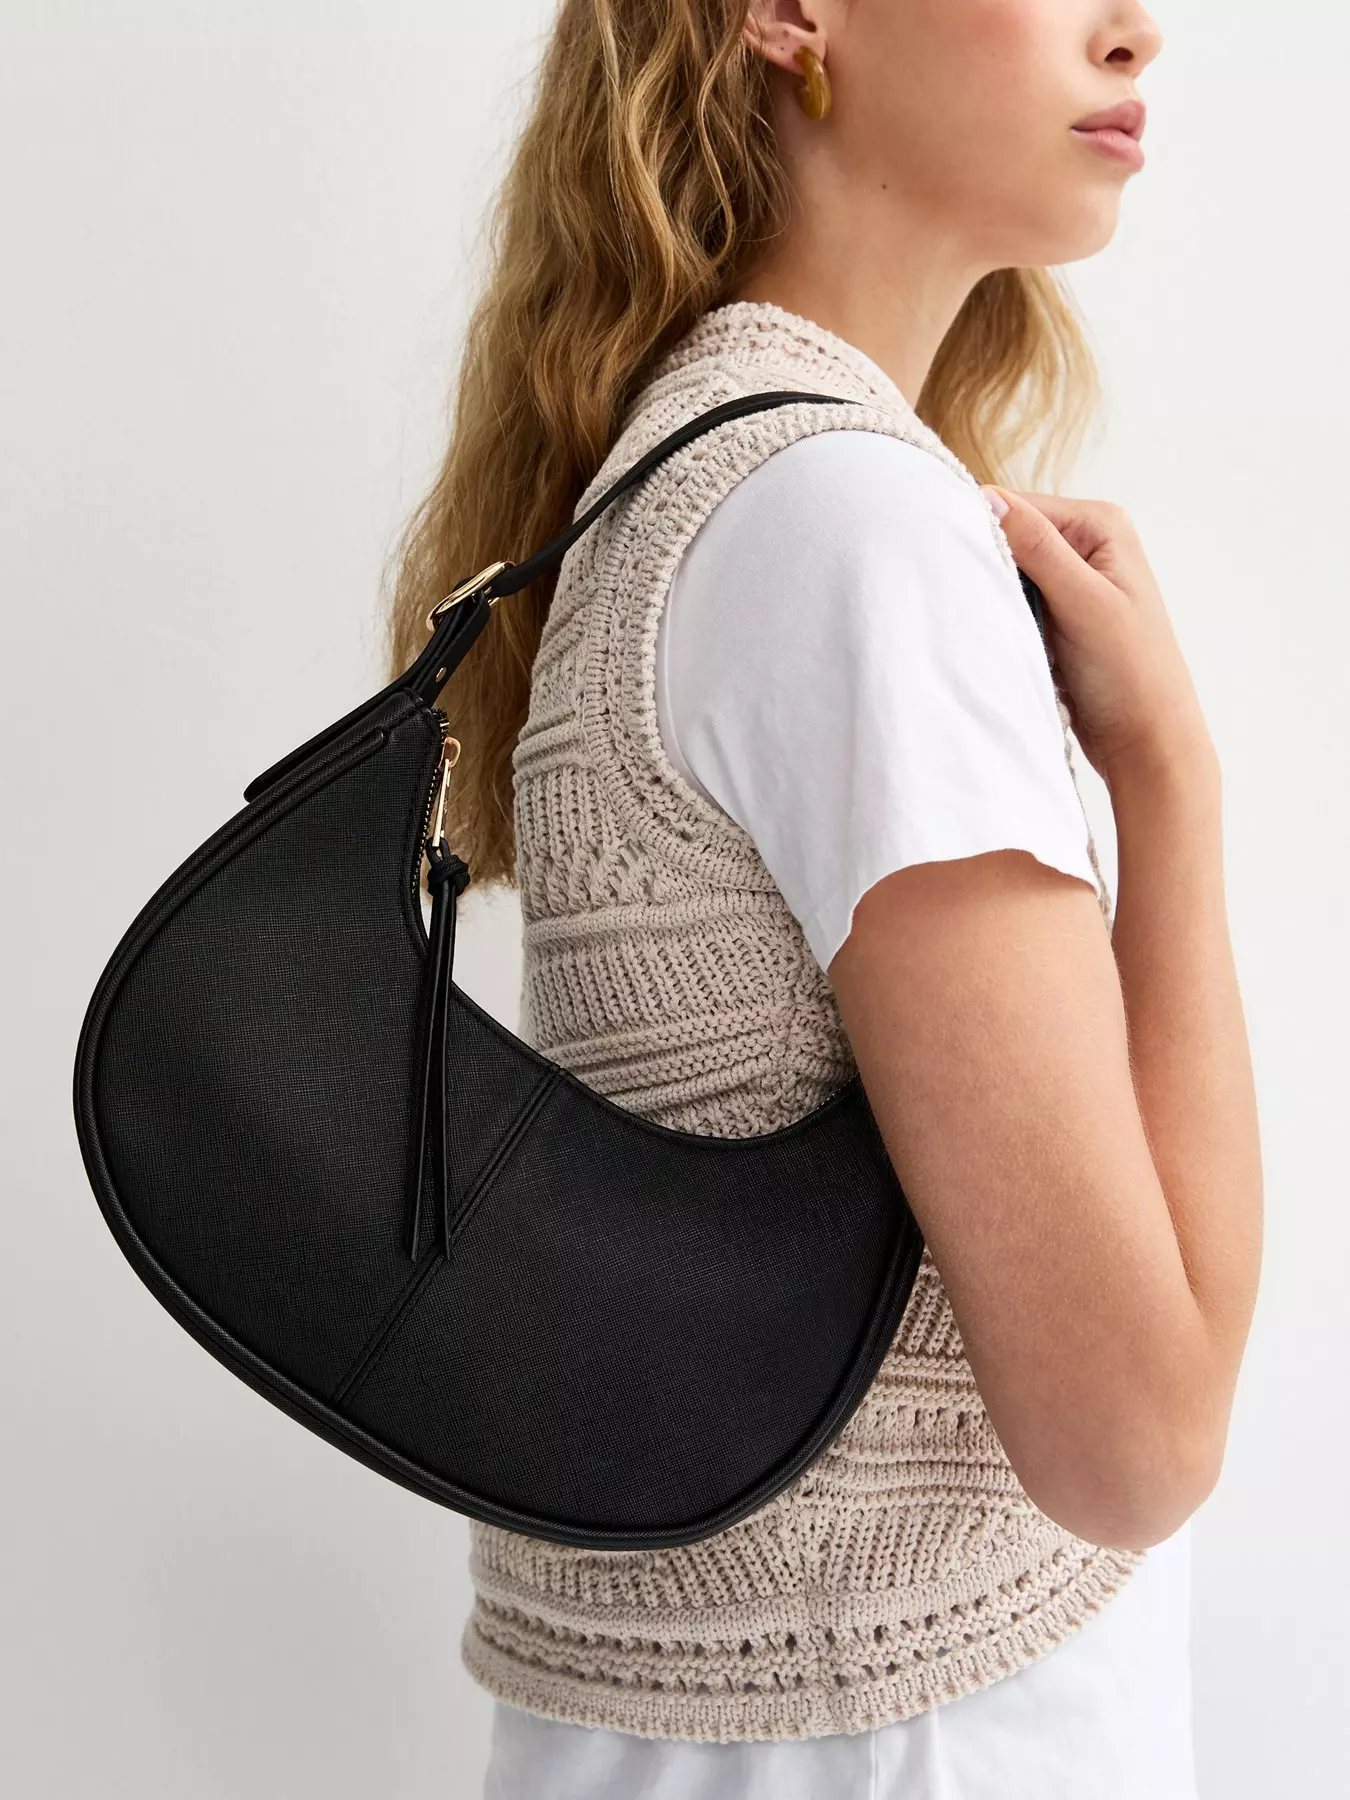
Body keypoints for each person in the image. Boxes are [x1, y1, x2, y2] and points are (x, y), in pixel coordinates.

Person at [382, 3, 1263, 1795]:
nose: (1135, 31)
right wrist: (1171, 791)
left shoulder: (694, 479)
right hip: (900, 1734)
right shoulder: (848, 526)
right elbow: (1133, 1442)